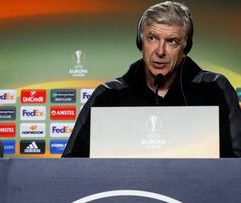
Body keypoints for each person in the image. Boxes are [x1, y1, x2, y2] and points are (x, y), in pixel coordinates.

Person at [62, 1, 241, 158]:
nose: (160, 51)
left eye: (172, 41)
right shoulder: (108, 96)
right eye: (152, 38)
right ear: (140, 42)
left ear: (186, 48)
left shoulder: (214, 89)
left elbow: (236, 163)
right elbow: (71, 165)